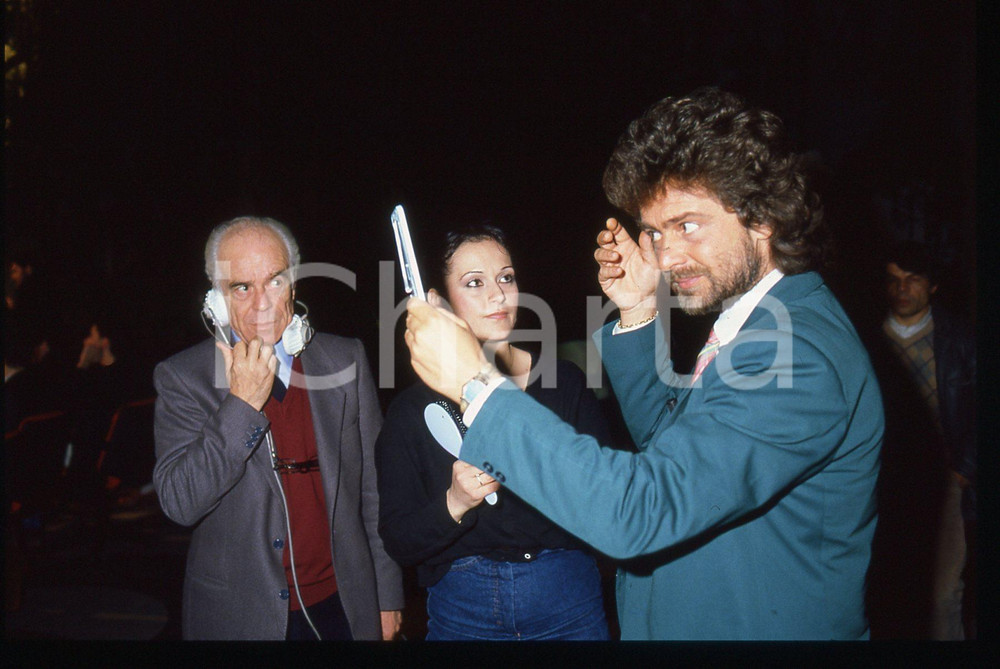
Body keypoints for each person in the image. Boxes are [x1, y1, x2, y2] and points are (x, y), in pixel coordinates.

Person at [403, 87, 884, 640]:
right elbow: (670, 445)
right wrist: (636, 309)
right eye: (654, 231)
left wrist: (477, 384)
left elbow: (641, 510)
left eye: (687, 225)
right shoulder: (759, 322)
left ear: (762, 217)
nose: (665, 255)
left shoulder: (799, 353)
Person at [153, 216, 403, 640]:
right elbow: (180, 501)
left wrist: (387, 594)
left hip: (345, 602)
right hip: (240, 615)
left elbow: (376, 492)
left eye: (274, 281)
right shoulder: (182, 377)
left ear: (294, 284)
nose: (262, 304)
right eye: (241, 288)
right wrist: (242, 404)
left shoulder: (346, 359)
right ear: (215, 299)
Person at [376, 224, 612, 640]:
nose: (498, 295)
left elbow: (610, 502)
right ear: (438, 301)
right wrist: (454, 502)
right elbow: (399, 540)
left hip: (567, 599)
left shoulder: (564, 382)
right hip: (464, 609)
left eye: (506, 277)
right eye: (474, 283)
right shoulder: (410, 412)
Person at [865, 241, 976, 639]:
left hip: (944, 483)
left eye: (912, 279)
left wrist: (965, 468)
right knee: (889, 592)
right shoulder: (866, 343)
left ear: (932, 287)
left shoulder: (960, 341)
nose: (902, 288)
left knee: (943, 593)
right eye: (894, 280)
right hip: (882, 482)